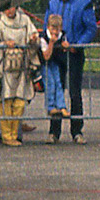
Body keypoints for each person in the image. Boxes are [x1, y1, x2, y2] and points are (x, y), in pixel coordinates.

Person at [46, 0, 96, 143]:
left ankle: (76, 131)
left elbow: (91, 28)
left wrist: (76, 45)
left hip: (74, 54)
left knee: (74, 92)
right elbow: (47, 24)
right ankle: (54, 132)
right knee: (56, 91)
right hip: (56, 53)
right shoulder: (53, 2)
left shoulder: (84, 2)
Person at [0, 4, 39, 146]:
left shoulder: (25, 21)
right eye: (6, 8)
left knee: (19, 102)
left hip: (21, 67)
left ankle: (14, 134)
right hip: (6, 67)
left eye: (11, 7)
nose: (9, 10)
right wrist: (4, 44)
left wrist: (32, 40)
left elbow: (34, 37)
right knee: (5, 102)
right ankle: (6, 136)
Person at [39, 13, 71, 141]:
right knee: (50, 84)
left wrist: (65, 45)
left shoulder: (62, 34)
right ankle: (51, 107)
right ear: (48, 26)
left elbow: (65, 44)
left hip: (56, 63)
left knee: (58, 83)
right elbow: (46, 55)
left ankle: (62, 106)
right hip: (46, 63)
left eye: (57, 29)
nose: (55, 31)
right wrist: (52, 43)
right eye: (53, 28)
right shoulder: (43, 37)